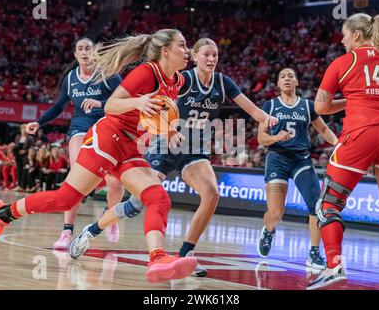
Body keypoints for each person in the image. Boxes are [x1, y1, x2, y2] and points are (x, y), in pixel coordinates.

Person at [0, 29, 197, 283]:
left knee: (158, 197)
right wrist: (137, 103)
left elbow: (156, 116)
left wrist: (169, 130)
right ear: (165, 51)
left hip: (130, 148)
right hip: (107, 139)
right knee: (66, 199)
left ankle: (158, 258)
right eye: (182, 45)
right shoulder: (146, 72)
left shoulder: (178, 81)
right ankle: (2, 214)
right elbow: (111, 106)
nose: (187, 50)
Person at [68, 37, 278, 277]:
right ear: (195, 57)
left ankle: (186, 253)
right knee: (137, 204)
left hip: (194, 149)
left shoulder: (223, 82)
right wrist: (107, 104)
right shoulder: (182, 79)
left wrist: (266, 119)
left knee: (211, 194)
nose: (211, 59)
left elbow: (250, 108)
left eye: (215, 55)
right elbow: (139, 98)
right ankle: (92, 231)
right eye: (206, 55)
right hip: (166, 144)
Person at [307, 13, 379, 290]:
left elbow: (320, 107)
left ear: (357, 36)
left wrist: (353, 99)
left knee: (327, 205)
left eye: (344, 34)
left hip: (359, 134)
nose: (341, 39)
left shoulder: (343, 62)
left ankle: (334, 265)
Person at [25, 38, 124, 248]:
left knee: (115, 182)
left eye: (88, 48)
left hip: (106, 127)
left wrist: (101, 103)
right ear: (75, 55)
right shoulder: (71, 78)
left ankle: (111, 216)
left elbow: (125, 100)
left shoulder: (107, 74)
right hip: (80, 128)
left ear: (94, 52)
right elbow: (59, 106)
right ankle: (66, 232)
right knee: (75, 179)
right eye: (80, 48)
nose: (85, 52)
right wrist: (39, 122)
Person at [256, 68, 338, 270]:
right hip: (277, 159)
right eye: (282, 76)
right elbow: (261, 138)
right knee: (275, 213)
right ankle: (268, 230)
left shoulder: (307, 106)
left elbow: (324, 130)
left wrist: (338, 144)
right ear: (277, 83)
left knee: (315, 205)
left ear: (297, 82)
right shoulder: (270, 105)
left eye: (290, 76)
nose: (286, 78)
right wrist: (276, 137)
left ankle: (313, 253)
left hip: (301, 160)